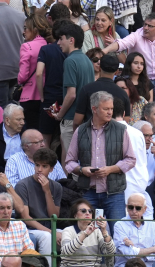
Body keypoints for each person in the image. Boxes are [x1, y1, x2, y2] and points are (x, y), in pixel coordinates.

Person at [65, 91, 136, 235]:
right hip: (88, 191)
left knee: (118, 232)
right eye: (106, 109)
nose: (110, 112)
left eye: (111, 108)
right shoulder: (81, 131)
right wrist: (81, 170)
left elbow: (131, 159)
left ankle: (117, 259)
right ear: (94, 109)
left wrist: (111, 169)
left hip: (114, 192)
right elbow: (69, 162)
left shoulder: (121, 129)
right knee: (87, 232)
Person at [15, 148, 63, 267]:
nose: (39, 170)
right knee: (47, 237)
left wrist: (47, 192)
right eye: (37, 165)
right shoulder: (22, 185)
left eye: (44, 166)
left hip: (49, 226)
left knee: (69, 234)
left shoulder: (56, 187)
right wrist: (51, 232)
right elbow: (25, 217)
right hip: (29, 229)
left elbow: (54, 216)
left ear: (51, 169)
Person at [102, 13, 155, 80]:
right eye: (145, 24)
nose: (145, 28)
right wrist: (105, 50)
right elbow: (122, 43)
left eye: (150, 26)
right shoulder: (137, 35)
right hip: (140, 78)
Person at [55, 23, 94, 157]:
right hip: (85, 118)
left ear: (71, 40)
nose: (58, 42)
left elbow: (71, 95)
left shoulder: (70, 61)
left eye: (61, 39)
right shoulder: (87, 60)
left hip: (72, 119)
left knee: (73, 160)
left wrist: (60, 115)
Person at [73, 54, 130, 130]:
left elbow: (77, 121)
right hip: (113, 137)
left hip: (91, 135)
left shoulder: (86, 89)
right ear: (116, 72)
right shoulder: (123, 93)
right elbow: (125, 122)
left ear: (99, 68)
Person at [36, 17, 68, 148]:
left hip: (50, 97)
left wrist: (42, 95)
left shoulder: (45, 50)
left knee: (45, 137)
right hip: (67, 98)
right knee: (66, 136)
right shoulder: (72, 52)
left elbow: (38, 73)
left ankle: (46, 166)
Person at [18, 14, 53, 130]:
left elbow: (22, 77)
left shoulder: (27, 46)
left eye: (25, 28)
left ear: (35, 30)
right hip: (48, 94)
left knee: (30, 130)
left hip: (30, 95)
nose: (24, 32)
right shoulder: (51, 45)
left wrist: (19, 80)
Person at [112, 98, 149, 202]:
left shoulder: (108, 133)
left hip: (121, 187)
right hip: (139, 182)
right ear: (124, 114)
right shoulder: (138, 133)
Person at [114, 193, 155, 267]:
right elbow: (128, 254)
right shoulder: (119, 225)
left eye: (138, 208)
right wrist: (153, 249)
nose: (134, 211)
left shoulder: (152, 225)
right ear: (126, 207)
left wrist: (136, 250)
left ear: (144, 209)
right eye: (131, 207)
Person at [61, 198, 116, 267]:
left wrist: (104, 231)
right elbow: (65, 252)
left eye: (90, 211)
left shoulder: (97, 231)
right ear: (75, 216)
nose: (87, 213)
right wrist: (85, 234)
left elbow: (110, 252)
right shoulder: (68, 230)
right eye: (83, 211)